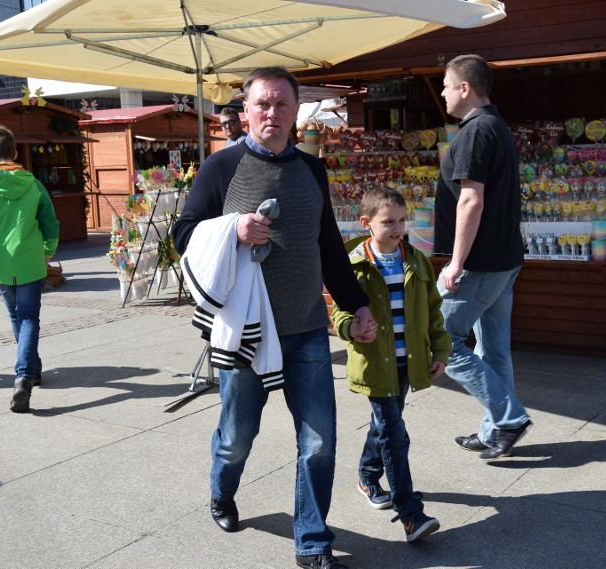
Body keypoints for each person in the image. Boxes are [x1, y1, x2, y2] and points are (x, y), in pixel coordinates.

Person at [172, 67, 376, 569]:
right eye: (262, 104)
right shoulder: (221, 168)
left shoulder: (314, 169)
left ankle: (311, 541)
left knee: (320, 442)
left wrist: (357, 302)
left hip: (307, 329)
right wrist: (232, 228)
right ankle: (222, 491)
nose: (272, 113)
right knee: (238, 437)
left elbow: (328, 246)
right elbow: (182, 235)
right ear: (245, 111)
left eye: (282, 104)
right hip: (246, 333)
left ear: (295, 111)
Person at [330, 187, 450, 543]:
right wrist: (351, 327)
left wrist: (440, 351)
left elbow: (432, 313)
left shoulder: (416, 260)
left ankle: (368, 475)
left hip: (407, 363)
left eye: (402, 220)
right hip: (375, 365)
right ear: (367, 223)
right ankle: (410, 514)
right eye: (388, 222)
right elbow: (339, 312)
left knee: (384, 426)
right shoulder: (351, 265)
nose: (398, 228)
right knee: (395, 435)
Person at [433, 54, 532, 462]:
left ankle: (507, 418)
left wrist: (456, 262)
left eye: (444, 84)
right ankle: (495, 431)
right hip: (504, 259)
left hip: (481, 263)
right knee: (493, 352)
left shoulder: (475, 132)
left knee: (439, 339)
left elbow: (471, 200)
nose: (441, 92)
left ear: (464, 88)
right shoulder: (497, 127)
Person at [0, 125, 60, 413]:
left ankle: (25, 376)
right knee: (28, 318)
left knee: (18, 317)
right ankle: (29, 371)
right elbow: (50, 225)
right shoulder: (34, 184)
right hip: (30, 261)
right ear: (15, 153)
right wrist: (46, 253)